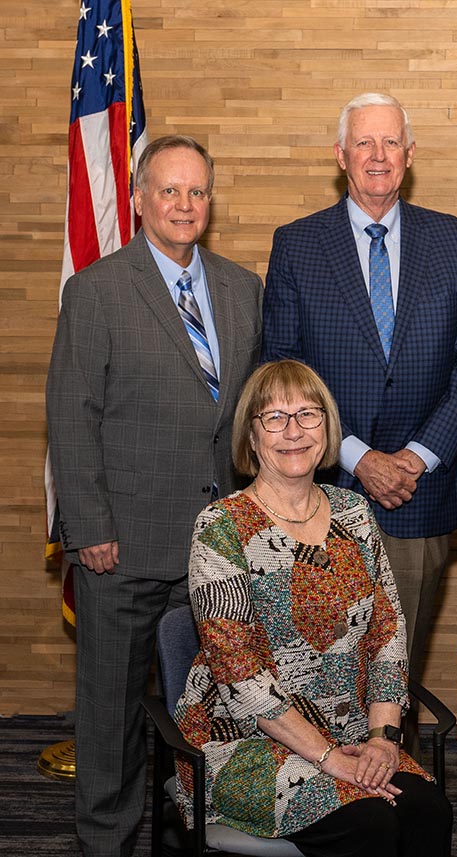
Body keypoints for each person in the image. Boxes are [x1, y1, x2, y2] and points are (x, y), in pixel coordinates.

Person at [46, 135, 263, 857]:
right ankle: (105, 841)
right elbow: (71, 415)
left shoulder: (240, 288)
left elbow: (239, 419)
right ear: (138, 199)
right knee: (110, 715)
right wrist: (89, 526)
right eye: (168, 191)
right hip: (124, 545)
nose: (184, 205)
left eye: (196, 191)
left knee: (207, 711)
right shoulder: (98, 289)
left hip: (217, 551)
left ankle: (191, 834)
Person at [263, 92, 457, 745]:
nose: (377, 156)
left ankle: (388, 784)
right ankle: (324, 792)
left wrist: (417, 457)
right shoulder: (299, 244)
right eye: (363, 143)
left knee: (395, 670)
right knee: (316, 667)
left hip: (420, 498)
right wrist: (357, 453)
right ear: (340, 156)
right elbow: (281, 369)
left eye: (390, 143)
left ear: (410, 156)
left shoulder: (451, 239)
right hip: (323, 493)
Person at [174, 359, 451, 856]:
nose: (293, 431)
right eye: (274, 418)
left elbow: (386, 631)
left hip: (351, 731)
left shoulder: (354, 512)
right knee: (369, 824)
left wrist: (384, 738)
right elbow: (240, 677)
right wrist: (329, 759)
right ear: (252, 437)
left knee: (429, 810)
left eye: (308, 415)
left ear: (327, 430)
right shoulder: (221, 527)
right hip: (245, 742)